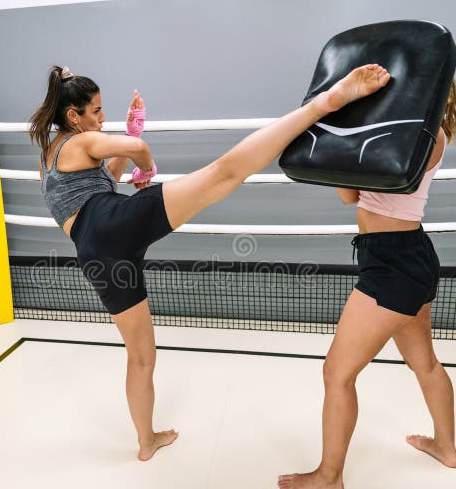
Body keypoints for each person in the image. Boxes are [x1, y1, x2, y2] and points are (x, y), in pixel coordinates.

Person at [29, 63, 391, 461]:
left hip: (95, 252)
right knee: (224, 173)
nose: (102, 118)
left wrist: (133, 135)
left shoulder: (49, 156)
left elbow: (102, 182)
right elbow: (135, 154)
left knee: (141, 357)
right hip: (113, 223)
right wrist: (146, 166)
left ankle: (146, 442)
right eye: (96, 111)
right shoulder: (81, 141)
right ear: (73, 116)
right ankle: (323, 105)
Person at [278, 79, 456, 489]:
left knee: (337, 373)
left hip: (395, 265)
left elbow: (376, 175)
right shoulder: (397, 132)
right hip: (398, 257)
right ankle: (446, 447)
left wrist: (352, 131)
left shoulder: (427, 135)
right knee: (424, 362)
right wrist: (339, 128)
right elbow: (350, 195)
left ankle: (329, 478)